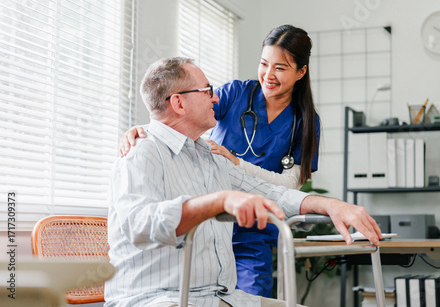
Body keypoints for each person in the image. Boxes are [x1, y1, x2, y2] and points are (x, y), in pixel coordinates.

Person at [105, 57, 382, 307]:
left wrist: (331, 205)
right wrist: (218, 201)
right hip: (158, 299)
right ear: (178, 102)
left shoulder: (210, 156)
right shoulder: (140, 153)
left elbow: (270, 192)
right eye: (206, 91)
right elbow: (139, 224)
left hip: (219, 297)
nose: (215, 98)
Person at [119, 25, 321, 298]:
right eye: (264, 64)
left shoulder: (305, 122)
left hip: (251, 227)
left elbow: (285, 186)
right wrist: (144, 130)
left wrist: (236, 163)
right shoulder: (236, 94)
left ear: (301, 72)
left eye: (281, 68)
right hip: (206, 220)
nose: (268, 75)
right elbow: (178, 113)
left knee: (250, 292)